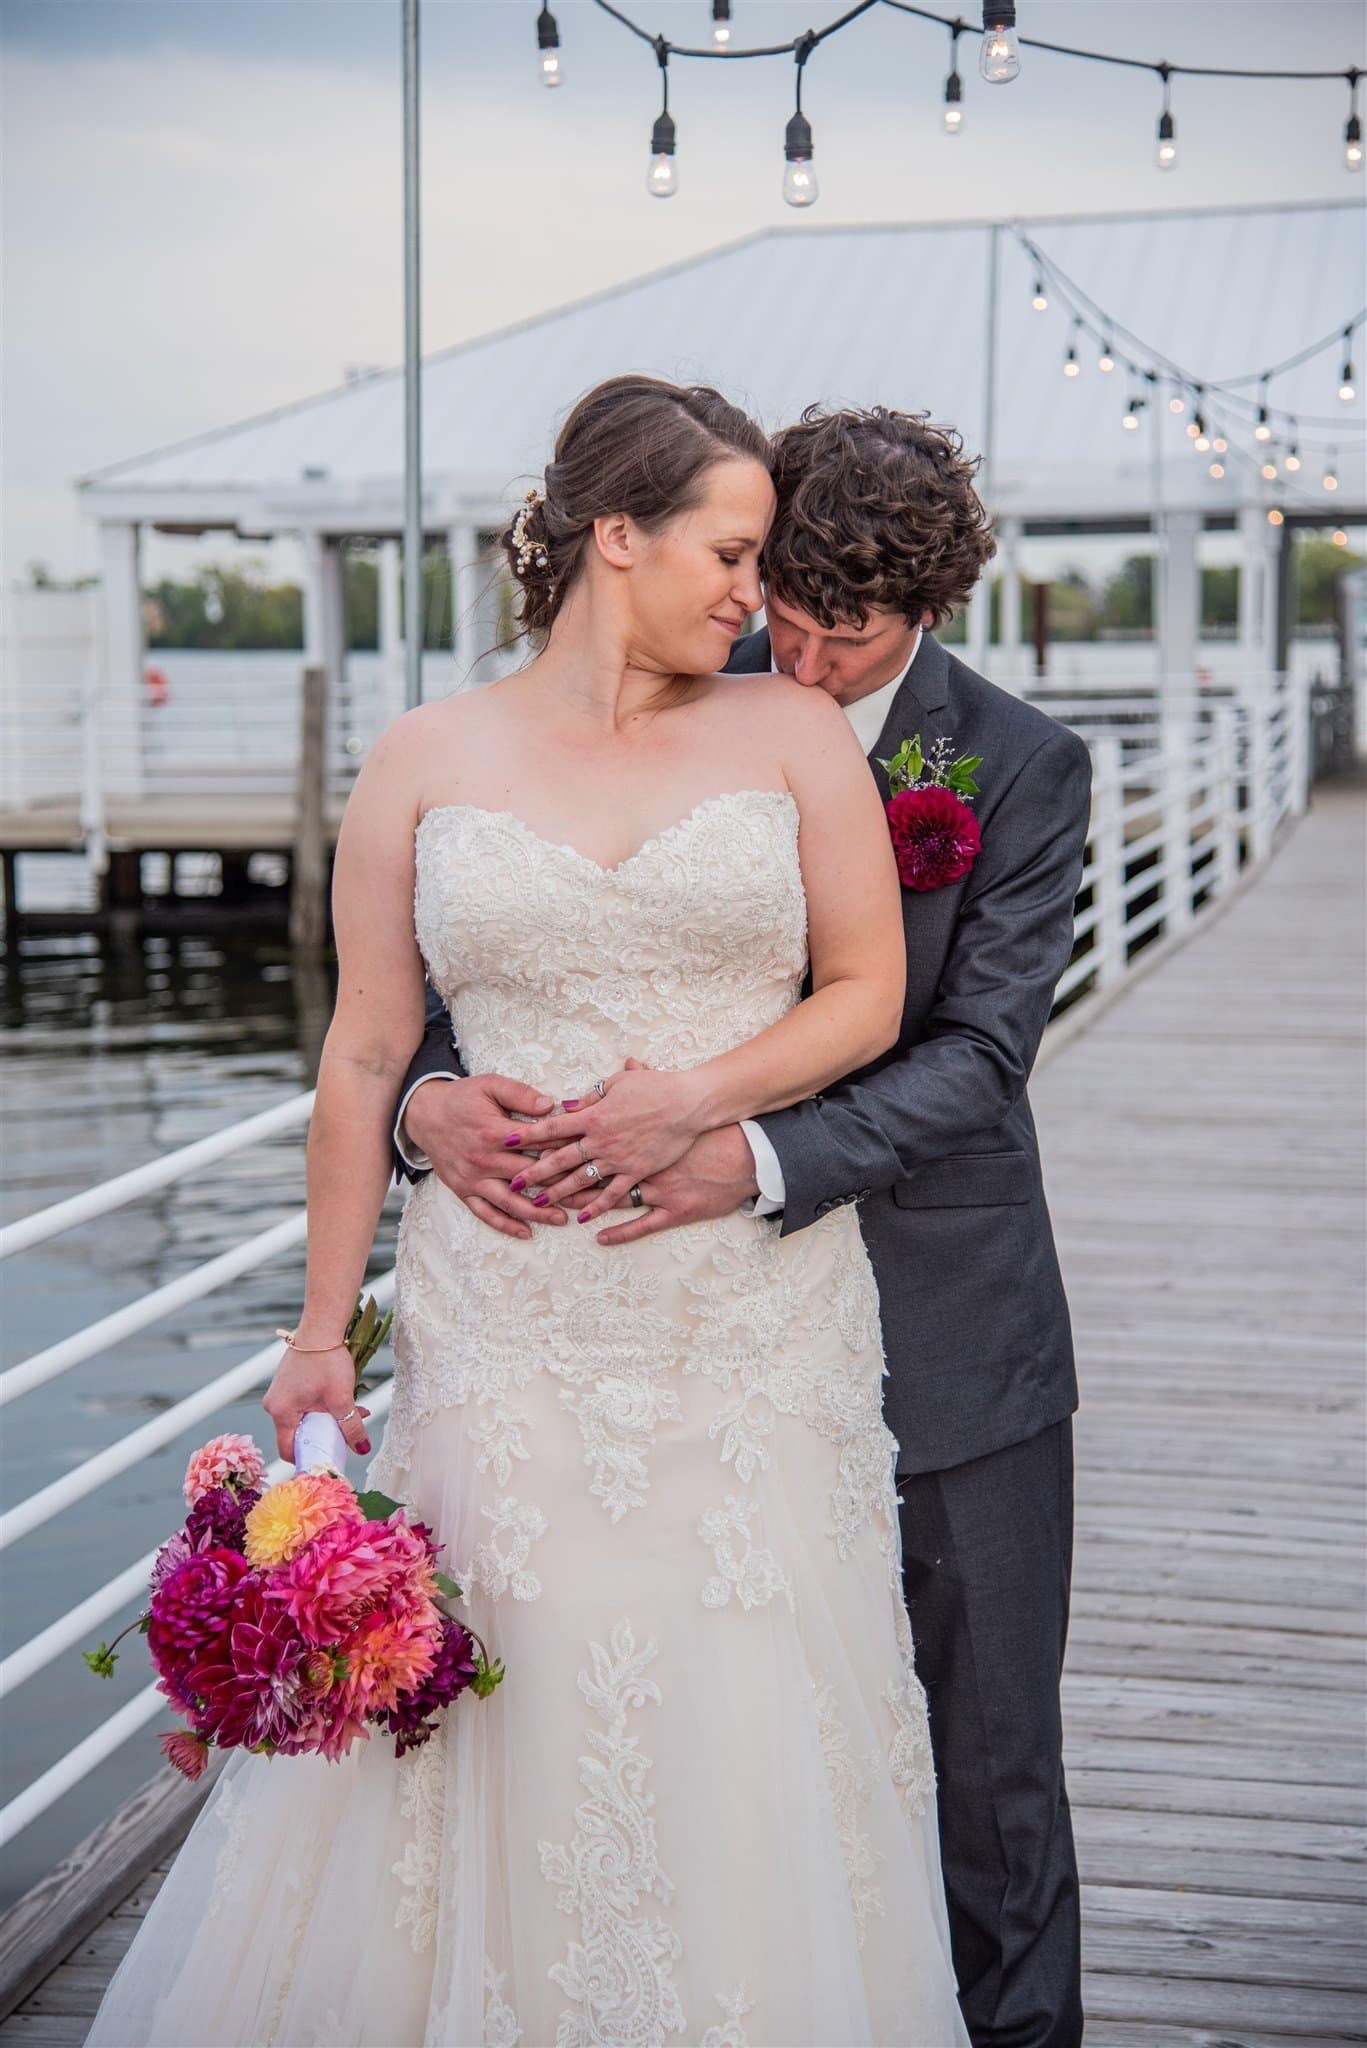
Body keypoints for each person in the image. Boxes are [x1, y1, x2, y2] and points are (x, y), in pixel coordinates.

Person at [84, 377, 970, 2048]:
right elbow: (360, 1059)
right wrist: (315, 1335)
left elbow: (867, 997)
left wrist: (699, 1095)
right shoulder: (427, 756)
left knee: (743, 1705)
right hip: (502, 1321)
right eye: (728, 550)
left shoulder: (790, 733)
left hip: (742, 1318)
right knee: (511, 1696)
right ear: (613, 536)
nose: (751, 593)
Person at [397, 404, 1093, 2048]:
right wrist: (424, 1100)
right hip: (658, 1355)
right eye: (775, 600)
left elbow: (981, 1059)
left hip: (942, 1335)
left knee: (990, 1779)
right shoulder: (666, 704)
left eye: (839, 630)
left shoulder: (1016, 766)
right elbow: (488, 958)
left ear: (927, 610)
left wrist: (754, 1156)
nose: (793, 649)